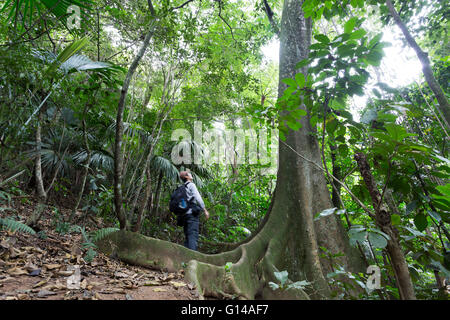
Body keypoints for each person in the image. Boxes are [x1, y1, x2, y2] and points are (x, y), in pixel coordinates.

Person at [179, 171, 209, 251]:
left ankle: (185, 259)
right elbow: (197, 197)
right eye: (189, 174)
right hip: (192, 215)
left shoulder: (182, 188)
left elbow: (182, 204)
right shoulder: (191, 185)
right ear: (187, 177)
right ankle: (193, 258)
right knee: (192, 235)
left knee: (187, 237)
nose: (191, 175)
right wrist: (205, 210)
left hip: (184, 216)